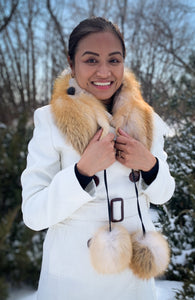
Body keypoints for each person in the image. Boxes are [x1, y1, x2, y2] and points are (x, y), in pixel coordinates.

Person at [21, 17, 175, 300]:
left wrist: (150, 165)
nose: (104, 71)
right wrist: (82, 172)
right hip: (73, 282)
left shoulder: (146, 118)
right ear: (71, 62)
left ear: (123, 62)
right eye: (91, 60)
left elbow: (164, 195)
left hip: (134, 281)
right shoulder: (50, 120)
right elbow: (33, 214)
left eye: (114, 60)